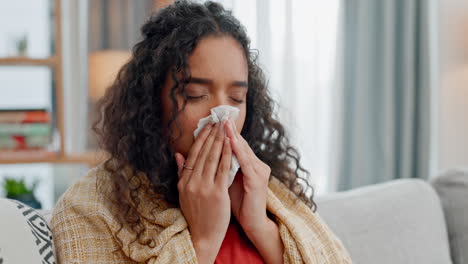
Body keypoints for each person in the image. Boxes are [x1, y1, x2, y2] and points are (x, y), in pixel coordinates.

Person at [51, 1, 352, 263]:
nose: (223, 118)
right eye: (195, 94)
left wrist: (259, 224)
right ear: (152, 100)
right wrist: (204, 241)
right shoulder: (91, 206)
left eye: (236, 99)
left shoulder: (271, 192)